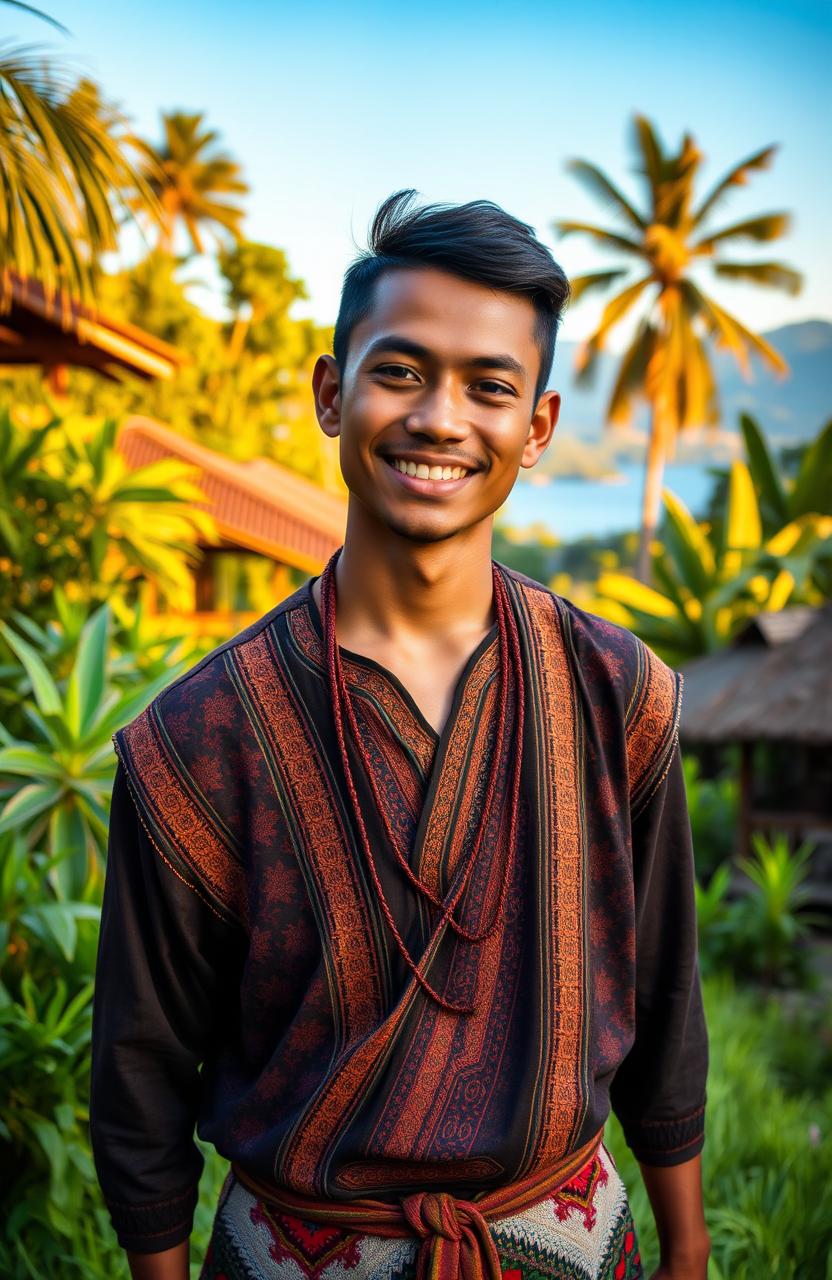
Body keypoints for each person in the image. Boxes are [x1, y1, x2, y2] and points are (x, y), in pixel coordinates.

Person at [90, 191, 710, 1280]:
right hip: (291, 1254)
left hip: (565, 1243)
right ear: (334, 392)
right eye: (401, 369)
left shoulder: (619, 692)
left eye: (490, 386)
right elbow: (139, 1069)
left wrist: (689, 1243)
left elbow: (662, 991)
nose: (440, 416)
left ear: (537, 429)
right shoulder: (195, 741)